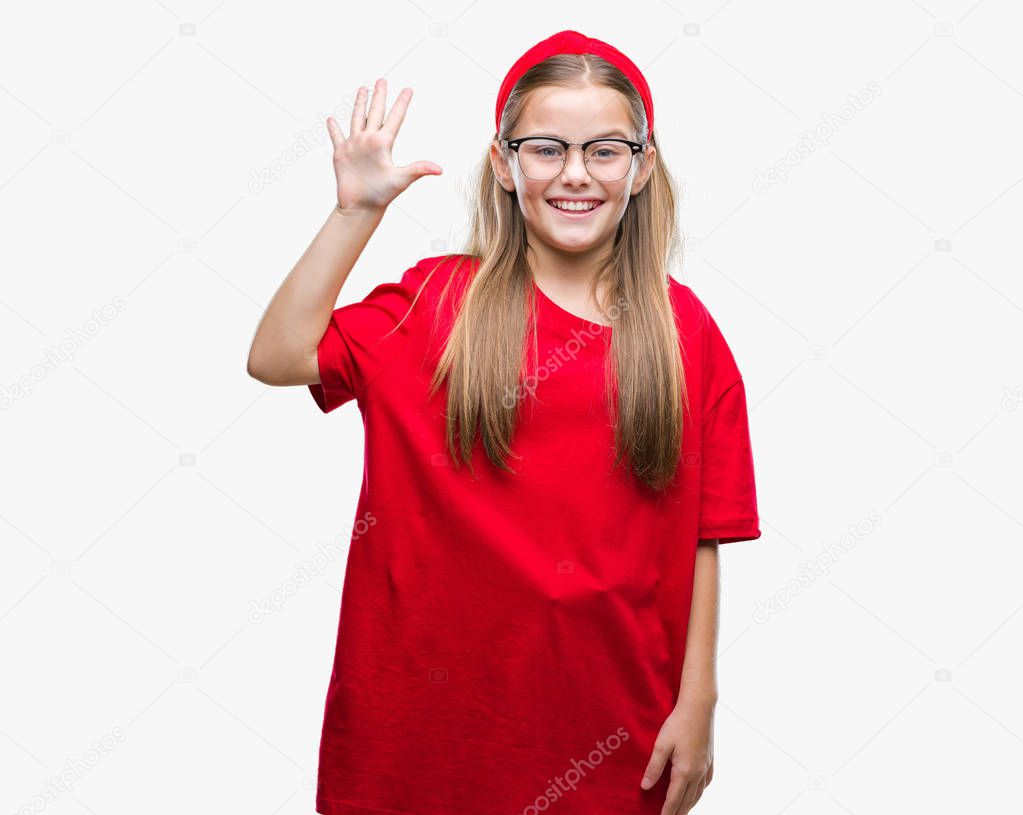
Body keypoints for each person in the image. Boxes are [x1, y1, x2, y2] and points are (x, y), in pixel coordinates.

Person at [247, 29, 761, 815]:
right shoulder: (433, 304)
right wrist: (356, 212)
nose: (576, 174)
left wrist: (700, 701)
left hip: (609, 726)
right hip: (421, 732)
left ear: (642, 165)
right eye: (546, 148)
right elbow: (278, 354)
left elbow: (704, 535)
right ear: (503, 163)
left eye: (605, 150)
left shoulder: (684, 332)